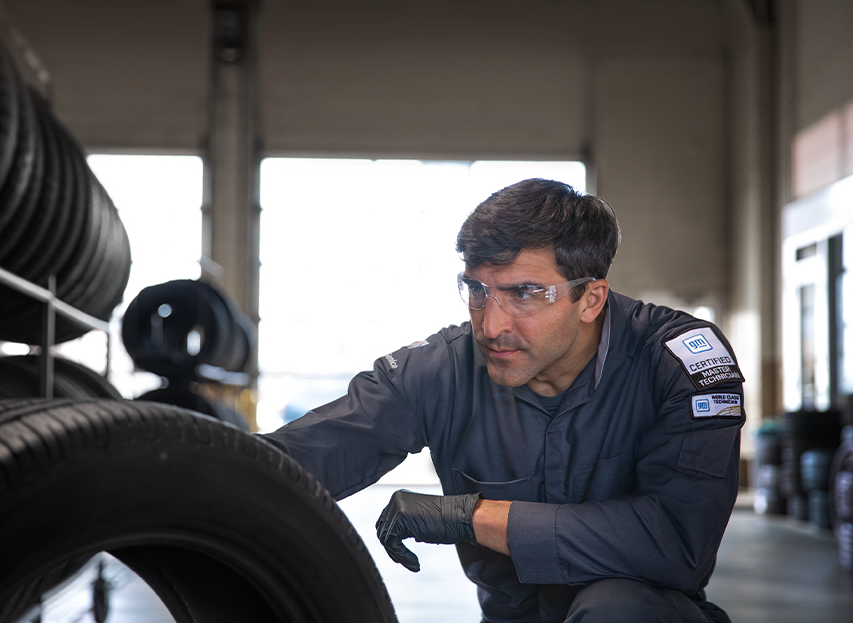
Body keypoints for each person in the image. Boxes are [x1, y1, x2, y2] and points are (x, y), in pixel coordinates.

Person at [263, 178, 745, 623]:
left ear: (591, 299)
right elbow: (290, 464)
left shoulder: (679, 364)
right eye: (476, 291)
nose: (491, 326)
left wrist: (470, 517)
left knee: (615, 609)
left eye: (524, 293)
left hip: (645, 616)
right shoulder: (443, 369)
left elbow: (679, 545)